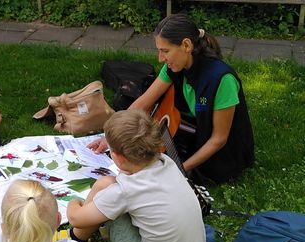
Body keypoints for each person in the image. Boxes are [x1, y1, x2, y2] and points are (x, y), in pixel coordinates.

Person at [90, 14, 254, 185]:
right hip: (191, 138)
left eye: (165, 51)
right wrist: (111, 138)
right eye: (159, 50)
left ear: (186, 45)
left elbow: (218, 139)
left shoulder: (222, 79)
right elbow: (143, 103)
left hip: (222, 156)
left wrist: (178, 170)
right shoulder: (174, 66)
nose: (160, 58)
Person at [67, 110, 205, 242]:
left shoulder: (126, 191)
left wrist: (74, 201)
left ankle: (74, 239)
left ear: (117, 157)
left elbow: (76, 218)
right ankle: (77, 238)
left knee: (108, 197)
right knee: (107, 186)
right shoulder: (167, 162)